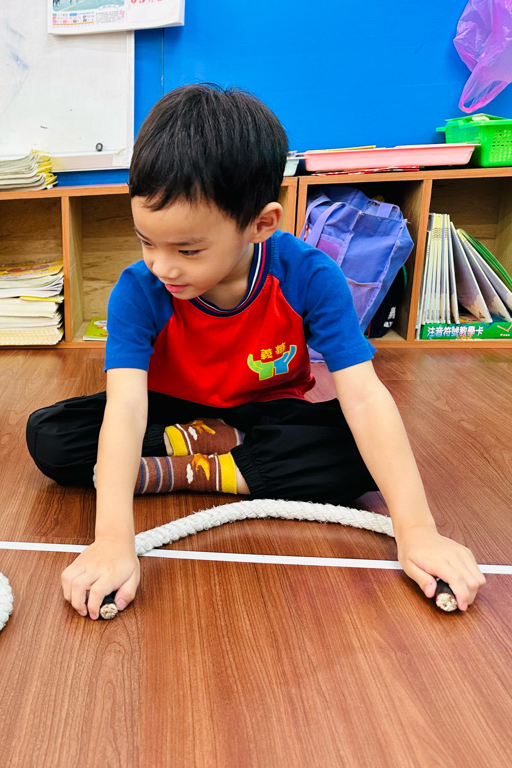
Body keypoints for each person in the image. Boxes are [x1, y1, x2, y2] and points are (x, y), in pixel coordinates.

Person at [26, 84, 485, 619]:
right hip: (168, 411)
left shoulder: (310, 276)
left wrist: (418, 530)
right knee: (52, 436)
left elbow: (364, 397)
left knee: (361, 452)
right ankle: (216, 455)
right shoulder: (139, 288)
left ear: (261, 224)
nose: (162, 266)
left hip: (265, 411)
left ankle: (187, 464)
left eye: (187, 249)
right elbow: (127, 407)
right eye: (146, 241)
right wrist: (111, 540)